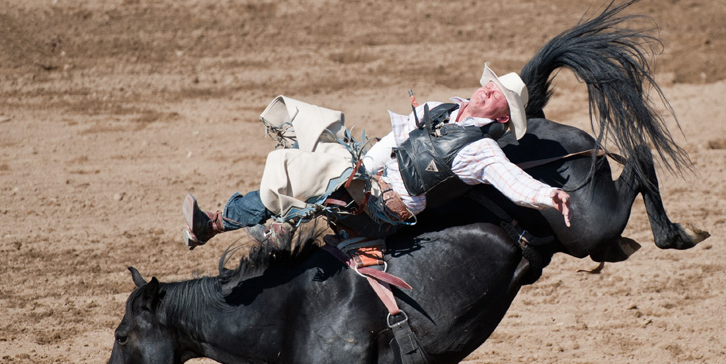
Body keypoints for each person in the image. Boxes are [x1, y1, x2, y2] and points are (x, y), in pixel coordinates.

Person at [182, 65, 571, 249]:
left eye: (498, 93)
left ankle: (225, 223)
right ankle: (271, 219)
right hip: (368, 182)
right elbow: (389, 144)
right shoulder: (438, 108)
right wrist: (361, 168)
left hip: (385, 211)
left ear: (503, 116)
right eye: (490, 83)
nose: (488, 90)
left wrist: (547, 196)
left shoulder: (481, 151)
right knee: (317, 133)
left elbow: (512, 181)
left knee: (321, 168)